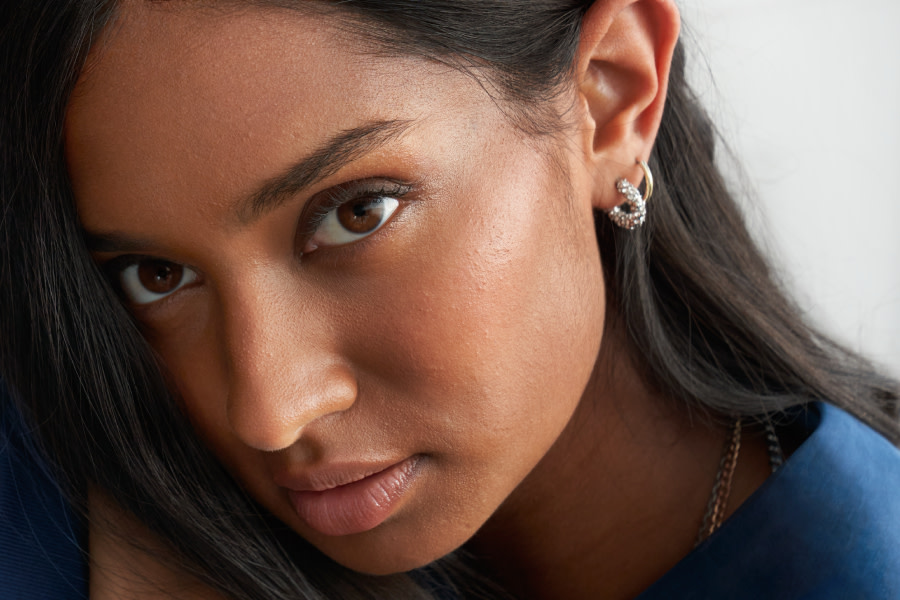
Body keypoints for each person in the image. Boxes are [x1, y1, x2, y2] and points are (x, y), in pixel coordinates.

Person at [1, 1, 898, 598]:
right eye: (158, 276)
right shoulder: (59, 476)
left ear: (612, 96)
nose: (269, 412)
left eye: (358, 213)